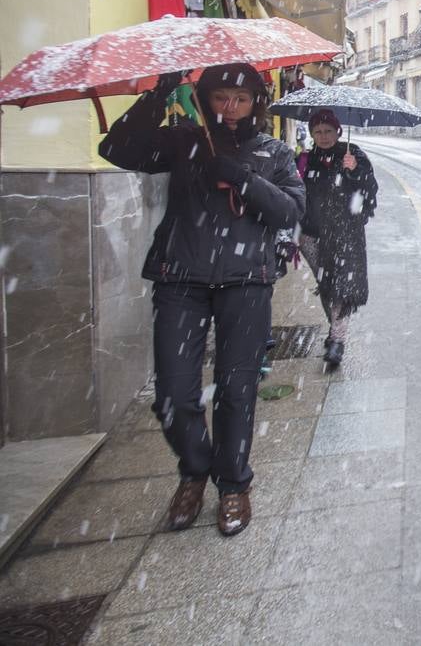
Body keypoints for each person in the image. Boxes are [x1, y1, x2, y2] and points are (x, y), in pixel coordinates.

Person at [98, 63, 304, 537]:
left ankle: (232, 484)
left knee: (237, 391)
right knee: (173, 396)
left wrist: (242, 177)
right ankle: (194, 471)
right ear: (205, 98)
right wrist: (158, 94)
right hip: (181, 279)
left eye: (241, 99)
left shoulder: (274, 152)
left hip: (246, 282)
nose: (229, 108)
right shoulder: (185, 141)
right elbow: (116, 148)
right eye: (220, 98)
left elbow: (292, 210)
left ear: (257, 103)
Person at [295, 110, 377, 366]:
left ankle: (337, 341)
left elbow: (370, 191)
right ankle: (336, 332)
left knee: (340, 285)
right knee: (327, 284)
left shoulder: (354, 155)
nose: (324, 136)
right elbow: (294, 192)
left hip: (344, 232)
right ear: (311, 134)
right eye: (318, 132)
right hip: (309, 234)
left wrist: (354, 172)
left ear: (338, 131)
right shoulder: (305, 160)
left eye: (328, 131)